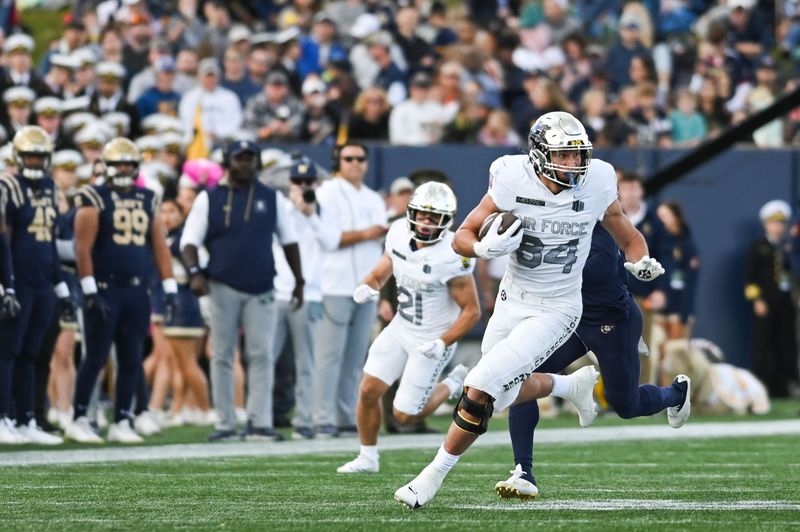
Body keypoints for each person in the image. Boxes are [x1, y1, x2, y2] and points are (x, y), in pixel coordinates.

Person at [394, 111, 665, 509]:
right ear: (538, 154)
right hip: (511, 299)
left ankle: (429, 477)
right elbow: (463, 236)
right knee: (499, 393)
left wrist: (639, 260)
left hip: (558, 307)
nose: (575, 164)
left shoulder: (598, 181)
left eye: (578, 154)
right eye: (564, 155)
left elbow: (627, 232)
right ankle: (570, 386)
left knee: (480, 387)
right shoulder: (510, 176)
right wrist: (482, 249)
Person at [494, 224, 691, 500]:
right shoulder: (550, 217)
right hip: (569, 320)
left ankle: (675, 394)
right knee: (524, 376)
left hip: (610, 322)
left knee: (625, 404)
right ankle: (522, 470)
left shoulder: (599, 235)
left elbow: (592, 268)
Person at [337, 182, 480, 473]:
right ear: (410, 212)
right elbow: (383, 269)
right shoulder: (398, 232)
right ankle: (368, 457)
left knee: (404, 416)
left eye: (434, 217)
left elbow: (472, 311)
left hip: (431, 339)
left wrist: (443, 342)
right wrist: (369, 285)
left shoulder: (453, 254)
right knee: (367, 391)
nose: (426, 223)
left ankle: (453, 383)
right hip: (401, 327)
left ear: (447, 220)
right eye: (422, 215)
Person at [181, 140, 304, 442]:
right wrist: (195, 273)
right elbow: (188, 241)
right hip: (222, 284)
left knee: (261, 354)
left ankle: (259, 422)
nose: (245, 163)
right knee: (222, 354)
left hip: (262, 285)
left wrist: (299, 280)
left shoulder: (271, 197)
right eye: (239, 158)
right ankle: (225, 422)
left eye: (250, 158)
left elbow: (289, 241)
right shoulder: (209, 197)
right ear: (227, 160)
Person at [65, 137, 178, 444]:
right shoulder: (93, 197)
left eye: (129, 163)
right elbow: (82, 249)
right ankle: (78, 417)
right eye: (118, 163)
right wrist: (89, 290)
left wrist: (170, 287)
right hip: (105, 287)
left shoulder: (147, 197)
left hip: (136, 290)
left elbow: (159, 246)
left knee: (131, 358)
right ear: (106, 166)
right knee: (96, 356)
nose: (124, 169)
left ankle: (123, 420)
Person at [0, 126, 75, 445]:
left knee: (32, 352)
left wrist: (62, 288)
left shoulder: (49, 186)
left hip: (44, 281)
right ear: (18, 156)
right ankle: (4, 416)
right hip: (19, 279)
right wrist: (6, 285)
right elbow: (3, 240)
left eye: (39, 156)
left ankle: (25, 417)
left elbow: (50, 243)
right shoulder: (8, 186)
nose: (34, 161)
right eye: (29, 155)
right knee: (7, 351)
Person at [312, 142, 387, 438]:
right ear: (338, 162)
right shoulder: (326, 193)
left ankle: (345, 416)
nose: (355, 163)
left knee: (356, 356)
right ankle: (321, 417)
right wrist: (367, 234)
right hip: (335, 283)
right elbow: (329, 239)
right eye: (348, 158)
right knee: (328, 355)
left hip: (367, 286)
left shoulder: (373, 197)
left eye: (360, 159)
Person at [272, 159, 338, 439]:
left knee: (305, 363)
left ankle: (304, 420)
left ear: (316, 184)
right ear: (290, 184)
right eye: (298, 182)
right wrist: (293, 207)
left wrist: (310, 214)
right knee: (265, 358)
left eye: (308, 182)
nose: (303, 187)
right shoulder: (280, 208)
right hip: (277, 291)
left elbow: (331, 242)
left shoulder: (323, 211)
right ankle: (260, 419)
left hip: (309, 293)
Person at [744, 200, 796, 398]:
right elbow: (749, 278)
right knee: (763, 346)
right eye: (774, 223)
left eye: (781, 223)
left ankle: (783, 388)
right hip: (765, 304)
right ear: (766, 224)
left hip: (785, 305)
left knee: (785, 345)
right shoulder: (757, 247)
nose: (778, 227)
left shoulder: (788, 247)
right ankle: (762, 387)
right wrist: (757, 300)